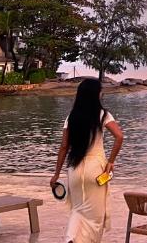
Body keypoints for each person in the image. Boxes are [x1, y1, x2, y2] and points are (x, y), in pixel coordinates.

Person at [51, 78, 124, 243]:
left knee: (77, 211)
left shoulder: (72, 116)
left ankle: (71, 239)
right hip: (96, 170)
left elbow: (64, 147)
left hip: (74, 169)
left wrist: (56, 174)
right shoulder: (103, 114)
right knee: (94, 218)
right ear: (96, 94)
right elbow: (119, 137)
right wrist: (111, 161)